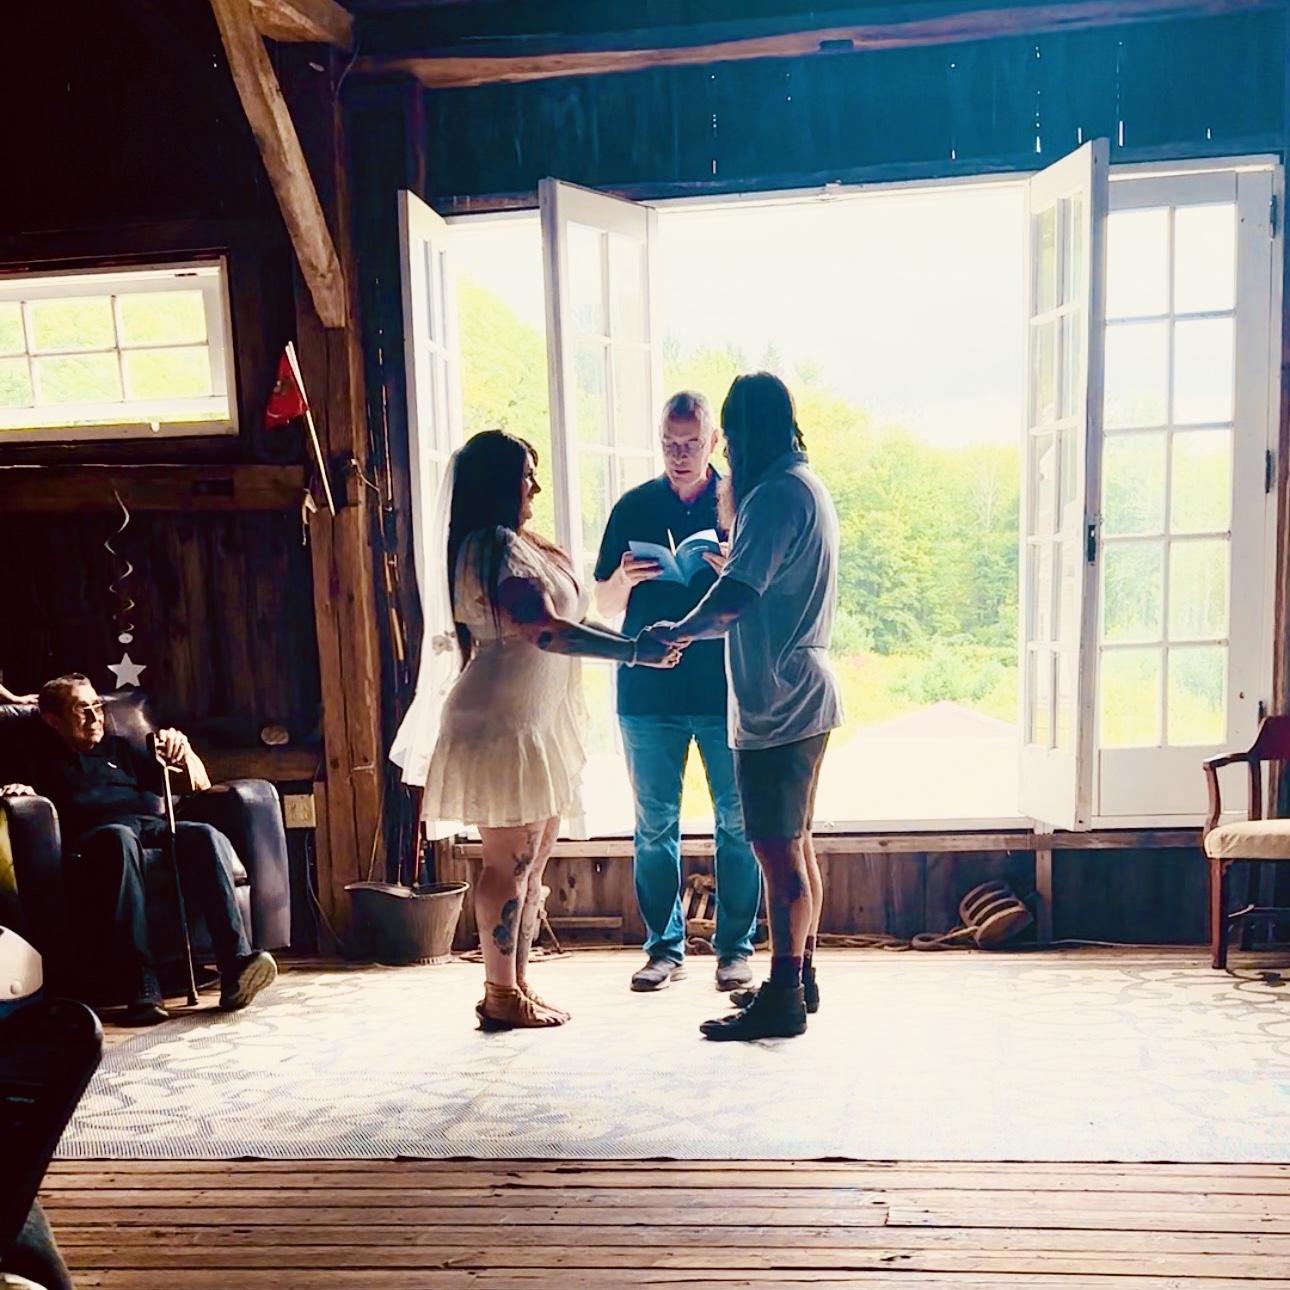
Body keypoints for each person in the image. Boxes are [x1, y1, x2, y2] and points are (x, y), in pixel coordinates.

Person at [406, 429, 680, 1031]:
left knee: (530, 863)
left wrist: (633, 644)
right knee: (508, 862)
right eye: (526, 475)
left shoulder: (520, 544)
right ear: (498, 482)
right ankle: (498, 993)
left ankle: (517, 983)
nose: (535, 485)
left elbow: (565, 620)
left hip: (533, 720)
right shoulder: (490, 547)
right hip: (501, 723)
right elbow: (547, 631)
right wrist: (633, 652)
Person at [642, 372, 842, 1042]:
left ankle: (783, 998)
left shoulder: (774, 496)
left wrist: (676, 631)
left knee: (778, 857)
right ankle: (799, 978)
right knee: (796, 847)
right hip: (798, 692)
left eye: (726, 435)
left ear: (744, 432)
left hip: (779, 701)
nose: (724, 451)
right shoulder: (802, 486)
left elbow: (733, 599)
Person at [594, 391, 760, 994]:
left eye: (691, 444)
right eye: (669, 443)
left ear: (713, 441)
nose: (680, 454)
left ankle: (734, 949)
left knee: (737, 822)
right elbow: (602, 604)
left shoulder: (741, 503)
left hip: (724, 687)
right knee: (654, 825)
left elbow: (764, 595)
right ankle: (663, 949)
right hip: (647, 691)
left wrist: (732, 570)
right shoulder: (634, 506)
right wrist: (622, 578)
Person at [0, 675, 277, 1025]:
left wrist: (185, 751)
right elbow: (14, 795)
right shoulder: (36, 759)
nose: (95, 717)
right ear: (53, 721)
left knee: (204, 835)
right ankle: (141, 983)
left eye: (98, 707)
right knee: (120, 839)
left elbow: (199, 785)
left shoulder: (120, 749)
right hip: (92, 841)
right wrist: (19, 789)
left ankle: (235, 965)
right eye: (82, 710)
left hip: (147, 826)